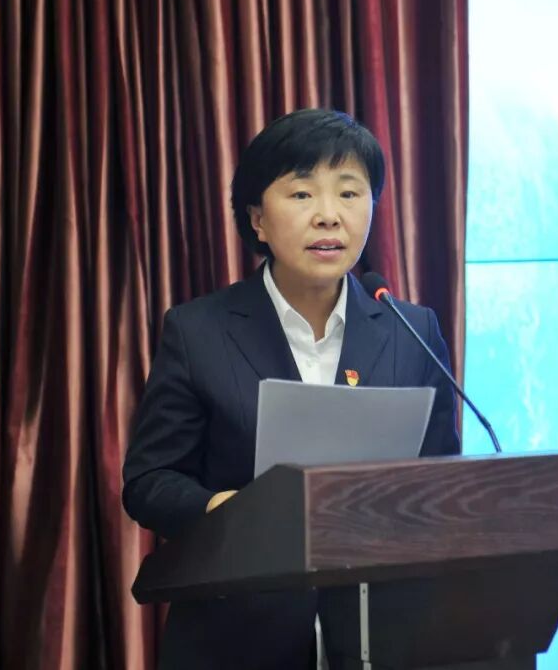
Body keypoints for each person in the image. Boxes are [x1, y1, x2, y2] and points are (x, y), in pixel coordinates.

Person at [122, 108, 461, 669]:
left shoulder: (412, 331)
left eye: (349, 193)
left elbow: (442, 478)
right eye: (302, 194)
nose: (329, 215)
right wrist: (224, 508)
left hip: (383, 635)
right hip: (239, 637)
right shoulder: (199, 331)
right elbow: (149, 482)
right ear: (257, 219)